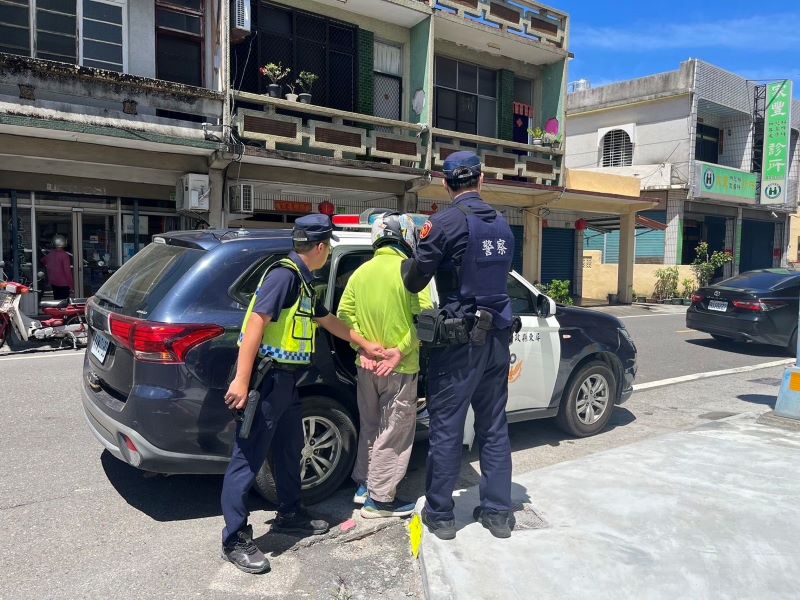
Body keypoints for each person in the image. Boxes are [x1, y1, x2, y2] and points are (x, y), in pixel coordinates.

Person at [220, 214, 385, 575]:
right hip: (265, 382)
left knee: (290, 448)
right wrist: (242, 382)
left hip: (287, 384)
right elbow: (256, 325)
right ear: (322, 247)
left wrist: (366, 345)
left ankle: (290, 514)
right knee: (247, 460)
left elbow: (328, 320)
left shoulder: (305, 281)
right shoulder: (284, 277)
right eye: (329, 247)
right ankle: (234, 539)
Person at [401, 151, 516, 540]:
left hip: (460, 342)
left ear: (447, 184)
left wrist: (410, 254)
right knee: (494, 425)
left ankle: (442, 515)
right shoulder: (503, 225)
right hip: (498, 338)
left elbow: (415, 281)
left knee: (447, 428)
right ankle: (499, 514)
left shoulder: (444, 223)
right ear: (481, 181)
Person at [337, 213, 433, 519]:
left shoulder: (360, 273)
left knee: (370, 425)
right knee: (394, 431)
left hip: (366, 365)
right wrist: (399, 351)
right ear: (406, 236)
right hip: (399, 368)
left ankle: (364, 486)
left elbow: (343, 316)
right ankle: (380, 501)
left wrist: (362, 346)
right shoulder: (411, 271)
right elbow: (427, 319)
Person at [41, 235, 73, 300]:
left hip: (54, 282)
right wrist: (71, 285)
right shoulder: (64, 255)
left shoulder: (51, 254)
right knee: (64, 303)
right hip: (64, 284)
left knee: (57, 301)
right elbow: (67, 271)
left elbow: (43, 261)